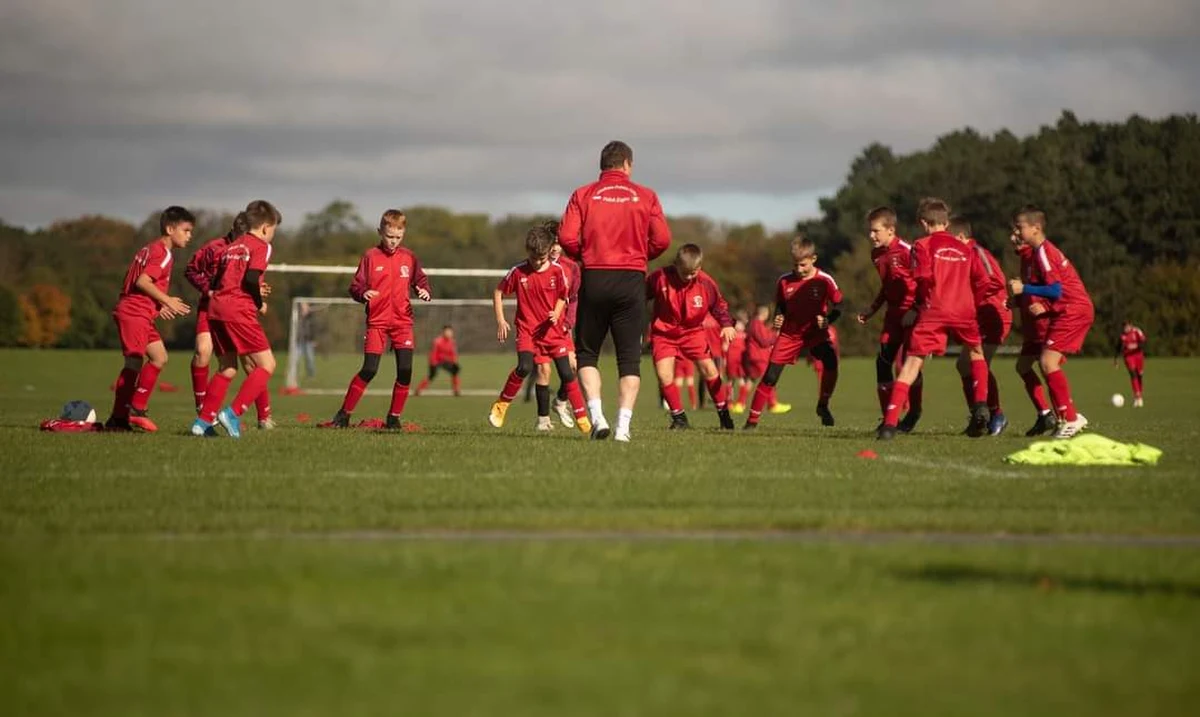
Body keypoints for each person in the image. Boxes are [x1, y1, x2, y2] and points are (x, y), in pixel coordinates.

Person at [558, 140, 671, 442]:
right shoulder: (646, 196)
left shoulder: (583, 194)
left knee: (587, 354)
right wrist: (639, 253)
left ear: (602, 165)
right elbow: (662, 239)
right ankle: (623, 428)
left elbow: (567, 237)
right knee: (629, 359)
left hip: (595, 276)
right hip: (631, 279)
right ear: (627, 165)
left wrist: (587, 253)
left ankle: (597, 418)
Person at [877, 198, 995, 441]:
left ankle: (889, 425)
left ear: (923, 223)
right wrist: (971, 301)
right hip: (965, 310)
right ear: (946, 222)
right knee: (976, 353)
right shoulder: (966, 247)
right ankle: (981, 403)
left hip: (934, 309)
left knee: (911, 364)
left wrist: (920, 305)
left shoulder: (922, 245)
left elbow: (923, 278)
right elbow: (984, 281)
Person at [320, 210, 431, 429]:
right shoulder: (371, 256)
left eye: (398, 237)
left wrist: (424, 290)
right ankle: (343, 415)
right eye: (390, 236)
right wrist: (363, 294)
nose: (393, 241)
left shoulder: (409, 257)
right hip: (377, 322)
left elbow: (420, 279)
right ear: (380, 232)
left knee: (406, 371)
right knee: (370, 369)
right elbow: (355, 286)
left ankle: (393, 419)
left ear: (403, 234)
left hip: (403, 323)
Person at [488, 224, 591, 435]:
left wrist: (556, 311)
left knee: (566, 372)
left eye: (541, 259)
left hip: (553, 334)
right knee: (524, 367)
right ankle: (501, 405)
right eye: (534, 258)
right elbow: (499, 291)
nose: (537, 263)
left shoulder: (559, 271)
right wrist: (500, 320)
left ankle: (581, 415)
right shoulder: (518, 272)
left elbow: (565, 296)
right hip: (528, 332)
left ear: (548, 253)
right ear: (528, 252)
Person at [191, 200, 282, 438]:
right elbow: (252, 279)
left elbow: (216, 282)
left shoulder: (230, 247)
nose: (272, 235)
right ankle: (233, 413)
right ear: (265, 228)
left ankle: (201, 422)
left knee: (227, 367)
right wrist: (258, 302)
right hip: (238, 311)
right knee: (267, 365)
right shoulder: (261, 246)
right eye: (273, 230)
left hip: (216, 310)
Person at [1009, 205, 1095, 438]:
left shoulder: (1044, 252)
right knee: (1046, 363)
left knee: (1047, 362)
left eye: (1019, 227)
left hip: (1073, 310)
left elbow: (1056, 290)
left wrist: (1023, 288)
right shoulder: (1040, 252)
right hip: (1068, 309)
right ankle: (1069, 417)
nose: (1016, 233)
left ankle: (1070, 418)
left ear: (1036, 229)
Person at [107, 205, 195, 431]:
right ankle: (118, 418)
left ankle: (136, 407)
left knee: (159, 357)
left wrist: (156, 307)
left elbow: (137, 283)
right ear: (169, 228)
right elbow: (142, 282)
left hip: (142, 312)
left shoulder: (150, 249)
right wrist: (166, 300)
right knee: (134, 362)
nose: (189, 236)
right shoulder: (163, 254)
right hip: (133, 313)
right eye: (185, 230)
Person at [744, 236, 842, 429]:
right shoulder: (784, 281)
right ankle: (751, 421)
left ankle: (823, 405)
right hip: (790, 335)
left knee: (831, 362)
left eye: (803, 265)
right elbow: (781, 305)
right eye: (795, 265)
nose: (799, 269)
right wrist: (779, 316)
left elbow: (839, 305)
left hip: (815, 333)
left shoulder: (825, 280)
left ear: (813, 259)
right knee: (771, 376)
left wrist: (828, 320)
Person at [645, 243, 736, 430]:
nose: (688, 277)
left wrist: (726, 324)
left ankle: (724, 416)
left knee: (709, 370)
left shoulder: (706, 283)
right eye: (684, 272)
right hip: (664, 333)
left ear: (699, 268)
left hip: (693, 332)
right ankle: (679, 419)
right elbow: (638, 295)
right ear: (675, 264)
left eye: (692, 273)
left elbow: (719, 306)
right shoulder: (660, 277)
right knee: (664, 375)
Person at [856, 206, 923, 432]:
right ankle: (889, 419)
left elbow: (925, 283)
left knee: (907, 364)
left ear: (891, 230)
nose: (871, 236)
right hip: (893, 315)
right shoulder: (876, 254)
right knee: (882, 362)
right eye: (870, 231)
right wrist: (872, 310)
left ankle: (914, 412)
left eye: (876, 231)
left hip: (913, 314)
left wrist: (916, 309)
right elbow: (887, 287)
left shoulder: (908, 251)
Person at [949, 216, 1013, 436]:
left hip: (993, 314)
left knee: (979, 361)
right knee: (964, 365)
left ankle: (996, 414)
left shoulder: (977, 252)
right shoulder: (961, 257)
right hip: (979, 316)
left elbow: (995, 280)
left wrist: (970, 301)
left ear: (961, 237)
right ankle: (979, 415)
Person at [1010, 231, 1056, 436]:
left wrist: (1046, 306)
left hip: (1045, 325)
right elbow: (1032, 289)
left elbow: (1057, 288)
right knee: (1023, 367)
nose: (1013, 238)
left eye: (1017, 233)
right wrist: (1018, 301)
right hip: (1032, 327)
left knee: (1049, 369)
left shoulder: (1038, 256)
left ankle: (1066, 417)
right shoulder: (1025, 259)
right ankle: (1045, 414)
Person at [742, 304, 790, 414]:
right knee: (769, 379)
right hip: (759, 357)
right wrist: (776, 335)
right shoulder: (757, 324)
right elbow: (764, 341)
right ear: (764, 313)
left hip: (754, 355)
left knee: (751, 380)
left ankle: (740, 403)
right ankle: (772, 404)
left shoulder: (755, 324)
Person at [415, 325, 461, 397]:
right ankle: (419, 390)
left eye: (450, 332)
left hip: (445, 361)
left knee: (455, 370)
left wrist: (454, 361)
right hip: (436, 361)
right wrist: (433, 363)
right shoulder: (437, 341)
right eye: (447, 331)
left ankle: (456, 390)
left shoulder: (452, 342)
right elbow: (433, 353)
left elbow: (453, 353)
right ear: (443, 332)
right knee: (432, 375)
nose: (449, 333)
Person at [1114, 321, 1146, 407]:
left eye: (1127, 327)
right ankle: (1137, 396)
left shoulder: (1137, 331)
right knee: (1133, 374)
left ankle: (1140, 396)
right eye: (1124, 327)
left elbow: (1143, 343)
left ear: (1131, 326)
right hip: (1128, 357)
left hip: (1138, 356)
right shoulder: (1122, 336)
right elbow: (1118, 347)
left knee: (1139, 375)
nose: (1125, 329)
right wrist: (1116, 359)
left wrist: (1135, 347)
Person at [725, 313, 748, 413]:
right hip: (732, 360)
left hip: (741, 361)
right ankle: (730, 403)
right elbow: (724, 347)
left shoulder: (745, 335)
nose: (740, 325)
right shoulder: (731, 334)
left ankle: (740, 402)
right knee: (731, 381)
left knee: (740, 380)